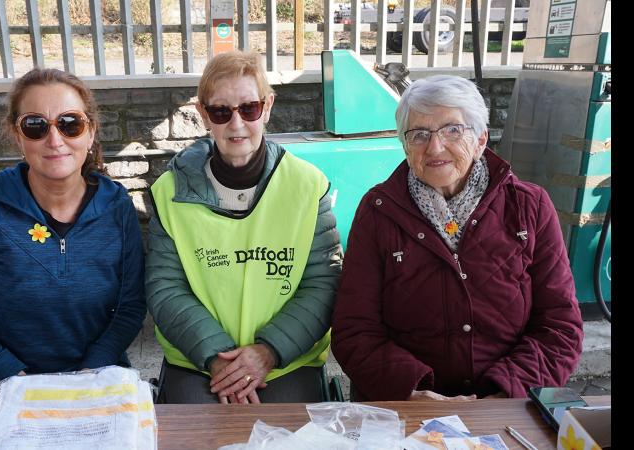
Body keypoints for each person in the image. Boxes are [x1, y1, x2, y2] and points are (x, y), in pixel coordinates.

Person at [332, 75, 584, 401]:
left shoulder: (528, 206)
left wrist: (505, 393)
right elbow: (354, 330)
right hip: (407, 404)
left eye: (452, 130)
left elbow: (559, 326)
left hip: (507, 403)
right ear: (406, 147)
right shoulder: (379, 211)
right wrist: (411, 392)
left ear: (480, 140)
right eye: (419, 134)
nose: (435, 147)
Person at [0, 67, 146, 436]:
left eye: (70, 124)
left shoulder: (116, 207)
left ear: (91, 131)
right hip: (1, 380)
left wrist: (89, 373)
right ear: (17, 134)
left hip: (96, 375)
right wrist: (17, 378)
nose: (54, 139)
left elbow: (130, 307)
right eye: (35, 125)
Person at [146, 50, 342, 404]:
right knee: (199, 431)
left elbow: (322, 282)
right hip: (199, 361)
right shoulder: (169, 192)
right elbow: (165, 288)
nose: (236, 124)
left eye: (249, 108)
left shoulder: (307, 186)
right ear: (203, 114)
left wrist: (268, 351)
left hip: (285, 359)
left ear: (267, 107)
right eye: (221, 112)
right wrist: (218, 357)